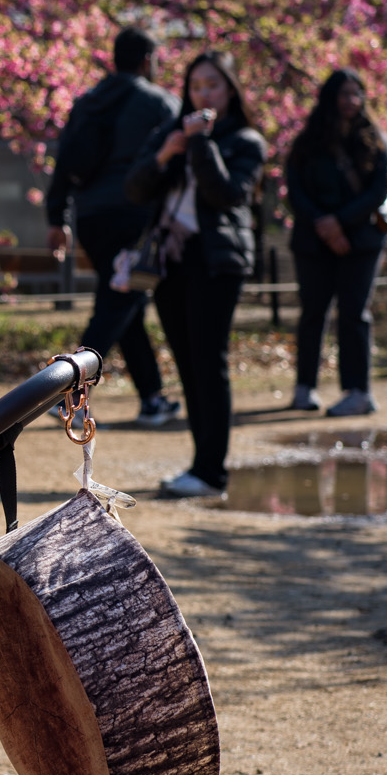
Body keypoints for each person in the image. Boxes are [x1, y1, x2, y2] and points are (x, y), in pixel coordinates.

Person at [125, 52, 267, 498]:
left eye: (213, 85)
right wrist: (166, 153)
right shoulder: (171, 134)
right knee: (186, 364)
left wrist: (202, 143)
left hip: (217, 262)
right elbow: (134, 189)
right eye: (196, 86)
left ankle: (211, 471)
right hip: (170, 262)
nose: (203, 94)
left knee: (209, 362)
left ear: (230, 90)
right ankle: (199, 465)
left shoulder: (246, 141)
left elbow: (226, 194)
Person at [45, 27, 182, 427]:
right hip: (136, 217)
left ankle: (153, 398)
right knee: (120, 301)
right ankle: (68, 391)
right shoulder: (160, 102)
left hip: (91, 217)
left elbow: (64, 160)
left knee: (126, 302)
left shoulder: (88, 102)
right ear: (146, 60)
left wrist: (57, 217)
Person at [283, 68, 387, 418]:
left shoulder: (374, 140)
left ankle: (358, 391)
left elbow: (380, 190)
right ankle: (305, 387)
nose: (351, 100)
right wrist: (323, 225)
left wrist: (340, 222)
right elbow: (295, 190)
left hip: (360, 241)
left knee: (353, 314)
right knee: (313, 313)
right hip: (313, 241)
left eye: (356, 93)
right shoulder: (307, 142)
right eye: (344, 93)